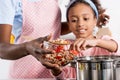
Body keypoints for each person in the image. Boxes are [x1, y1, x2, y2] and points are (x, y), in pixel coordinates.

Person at [44, 0, 120, 79]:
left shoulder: (104, 41)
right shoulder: (66, 48)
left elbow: (116, 47)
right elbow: (64, 77)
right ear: (68, 24)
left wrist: (97, 42)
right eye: (74, 20)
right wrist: (56, 72)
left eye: (86, 18)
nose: (80, 24)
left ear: (95, 20)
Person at [0, 0, 72, 79]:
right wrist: (27, 48)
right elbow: (2, 48)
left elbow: (53, 27)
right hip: (24, 73)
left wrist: (81, 24)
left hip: (55, 72)